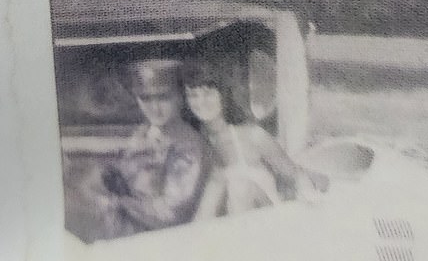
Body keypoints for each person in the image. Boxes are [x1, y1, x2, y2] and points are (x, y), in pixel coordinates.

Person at [182, 61, 325, 218]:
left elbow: (298, 177)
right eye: (193, 95)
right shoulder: (191, 141)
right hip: (219, 230)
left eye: (208, 93)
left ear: (223, 94)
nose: (200, 102)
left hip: (265, 223)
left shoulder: (252, 136)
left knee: (240, 186)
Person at [84, 59, 208, 239]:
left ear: (180, 97)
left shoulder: (187, 146)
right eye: (146, 98)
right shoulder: (144, 133)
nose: (154, 108)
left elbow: (171, 215)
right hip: (129, 233)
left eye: (163, 97)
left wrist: (119, 203)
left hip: (163, 242)